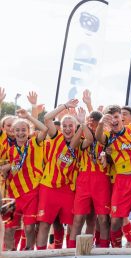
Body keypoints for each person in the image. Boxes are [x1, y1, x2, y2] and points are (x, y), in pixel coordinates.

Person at [36, 100, 91, 250]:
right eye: (65, 126)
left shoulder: (80, 143)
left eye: (70, 126)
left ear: (75, 127)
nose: (67, 129)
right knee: (45, 224)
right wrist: (65, 106)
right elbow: (47, 118)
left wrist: (82, 122)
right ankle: (40, 256)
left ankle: (69, 254)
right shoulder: (56, 137)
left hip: (68, 189)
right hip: (49, 187)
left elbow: (91, 139)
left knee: (70, 224)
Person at [95, 105, 131, 248]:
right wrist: (100, 123)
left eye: (116, 117)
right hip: (122, 181)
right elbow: (98, 137)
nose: (114, 121)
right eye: (109, 119)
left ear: (121, 118)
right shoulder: (108, 135)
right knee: (116, 220)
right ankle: (116, 249)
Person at [1, 109, 47, 250]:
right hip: (11, 194)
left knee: (29, 228)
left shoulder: (35, 144)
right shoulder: (9, 150)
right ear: (13, 133)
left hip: (31, 192)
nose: (20, 133)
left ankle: (28, 253)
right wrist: (7, 166)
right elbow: (3, 169)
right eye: (17, 130)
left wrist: (28, 116)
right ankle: (10, 255)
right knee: (9, 229)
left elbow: (44, 129)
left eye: (23, 130)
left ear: (29, 131)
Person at [68, 110, 111, 248]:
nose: (91, 126)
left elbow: (99, 140)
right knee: (78, 218)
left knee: (103, 219)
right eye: (89, 123)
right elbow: (76, 145)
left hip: (102, 179)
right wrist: (82, 124)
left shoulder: (106, 137)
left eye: (94, 124)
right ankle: (71, 250)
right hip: (84, 179)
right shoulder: (82, 137)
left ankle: (103, 249)